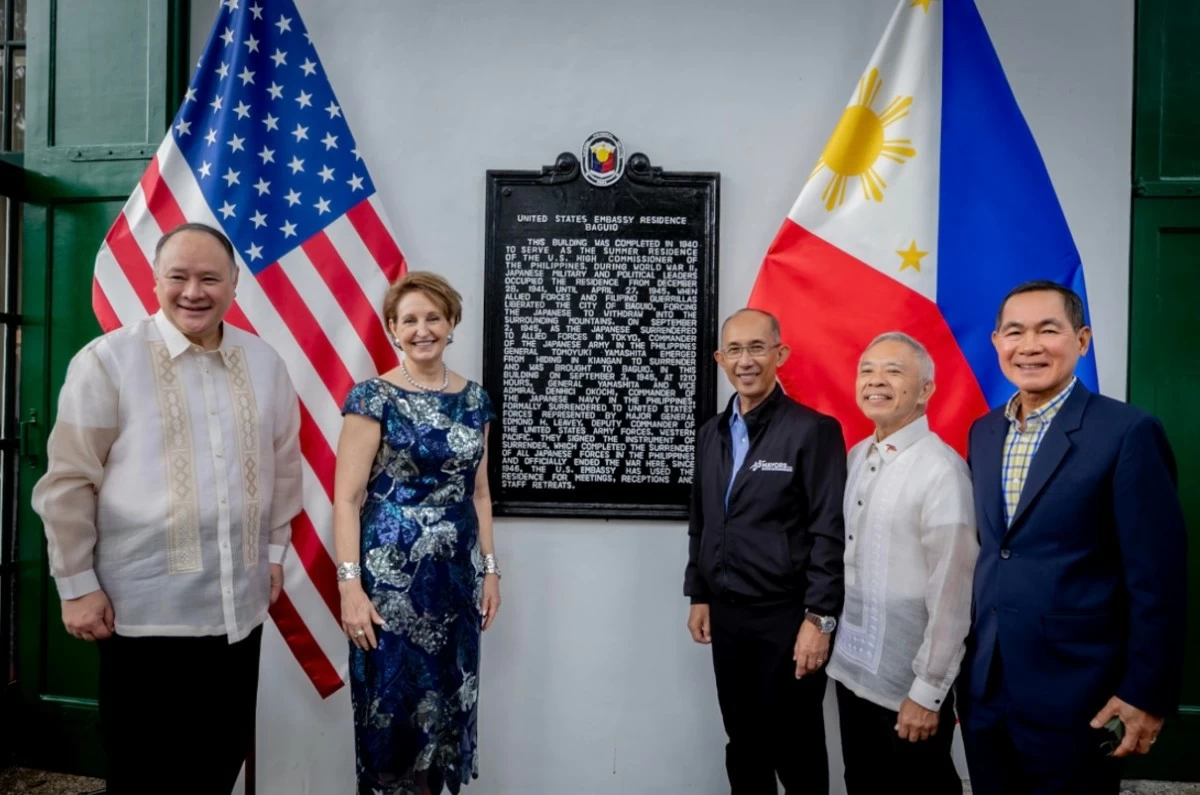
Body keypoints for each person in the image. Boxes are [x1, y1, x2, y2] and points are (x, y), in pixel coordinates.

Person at [31, 222, 302, 794]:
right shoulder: (108, 361)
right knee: (143, 774)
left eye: (210, 278)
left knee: (215, 767)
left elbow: (283, 467)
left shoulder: (265, 363)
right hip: (142, 619)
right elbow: (69, 482)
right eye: (177, 277)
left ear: (233, 283)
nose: (193, 292)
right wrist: (76, 584)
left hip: (238, 613)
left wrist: (274, 552)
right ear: (154, 280)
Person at [959, 280, 1188, 794]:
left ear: (1082, 340)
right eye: (1015, 332)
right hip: (986, 688)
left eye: (1048, 330)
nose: (1030, 345)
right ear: (997, 342)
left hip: (1080, 695)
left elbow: (1159, 582)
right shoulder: (984, 432)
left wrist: (1145, 694)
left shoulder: (1127, 432)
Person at [334, 271, 500, 795]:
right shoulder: (372, 397)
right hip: (389, 586)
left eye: (433, 317)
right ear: (392, 329)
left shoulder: (476, 401)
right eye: (409, 319)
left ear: (452, 323)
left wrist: (491, 572)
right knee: (392, 712)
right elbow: (347, 498)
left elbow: (480, 494)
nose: (422, 328)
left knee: (448, 705)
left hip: (455, 583)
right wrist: (350, 587)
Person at [684, 307, 847, 795]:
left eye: (757, 347)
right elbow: (702, 520)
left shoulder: (812, 430)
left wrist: (819, 618)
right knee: (744, 744)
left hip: (789, 617)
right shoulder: (710, 434)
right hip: (728, 615)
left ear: (781, 354)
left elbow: (829, 530)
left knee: (794, 747)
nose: (746, 360)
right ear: (719, 358)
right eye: (734, 349)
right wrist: (699, 593)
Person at [825, 332, 977, 795]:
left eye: (894, 371)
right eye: (867, 370)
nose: (876, 381)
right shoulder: (855, 457)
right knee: (862, 783)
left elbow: (954, 593)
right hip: (850, 673)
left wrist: (928, 693)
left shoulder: (942, 470)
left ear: (926, 389)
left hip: (908, 685)